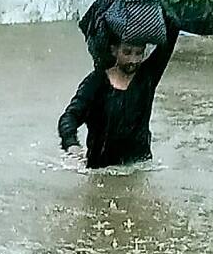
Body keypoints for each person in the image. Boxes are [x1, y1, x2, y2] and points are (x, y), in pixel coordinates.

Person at [58, 23, 179, 169]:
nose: (133, 60)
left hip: (139, 166)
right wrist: (72, 146)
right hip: (101, 168)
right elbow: (69, 117)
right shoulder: (96, 83)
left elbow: (168, 40)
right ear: (114, 50)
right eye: (127, 52)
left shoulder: (147, 77)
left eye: (139, 53)